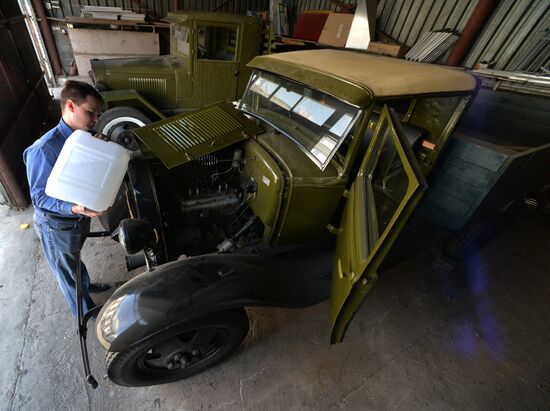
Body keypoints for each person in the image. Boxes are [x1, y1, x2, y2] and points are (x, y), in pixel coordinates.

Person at [23, 80, 110, 317]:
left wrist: (101, 152)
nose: (95, 120)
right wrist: (73, 208)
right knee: (67, 274)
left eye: (97, 114)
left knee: (74, 261)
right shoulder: (44, 149)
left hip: (77, 217)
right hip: (57, 226)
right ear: (70, 106)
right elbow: (39, 197)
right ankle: (86, 313)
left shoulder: (86, 137)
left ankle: (87, 286)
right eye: (90, 113)